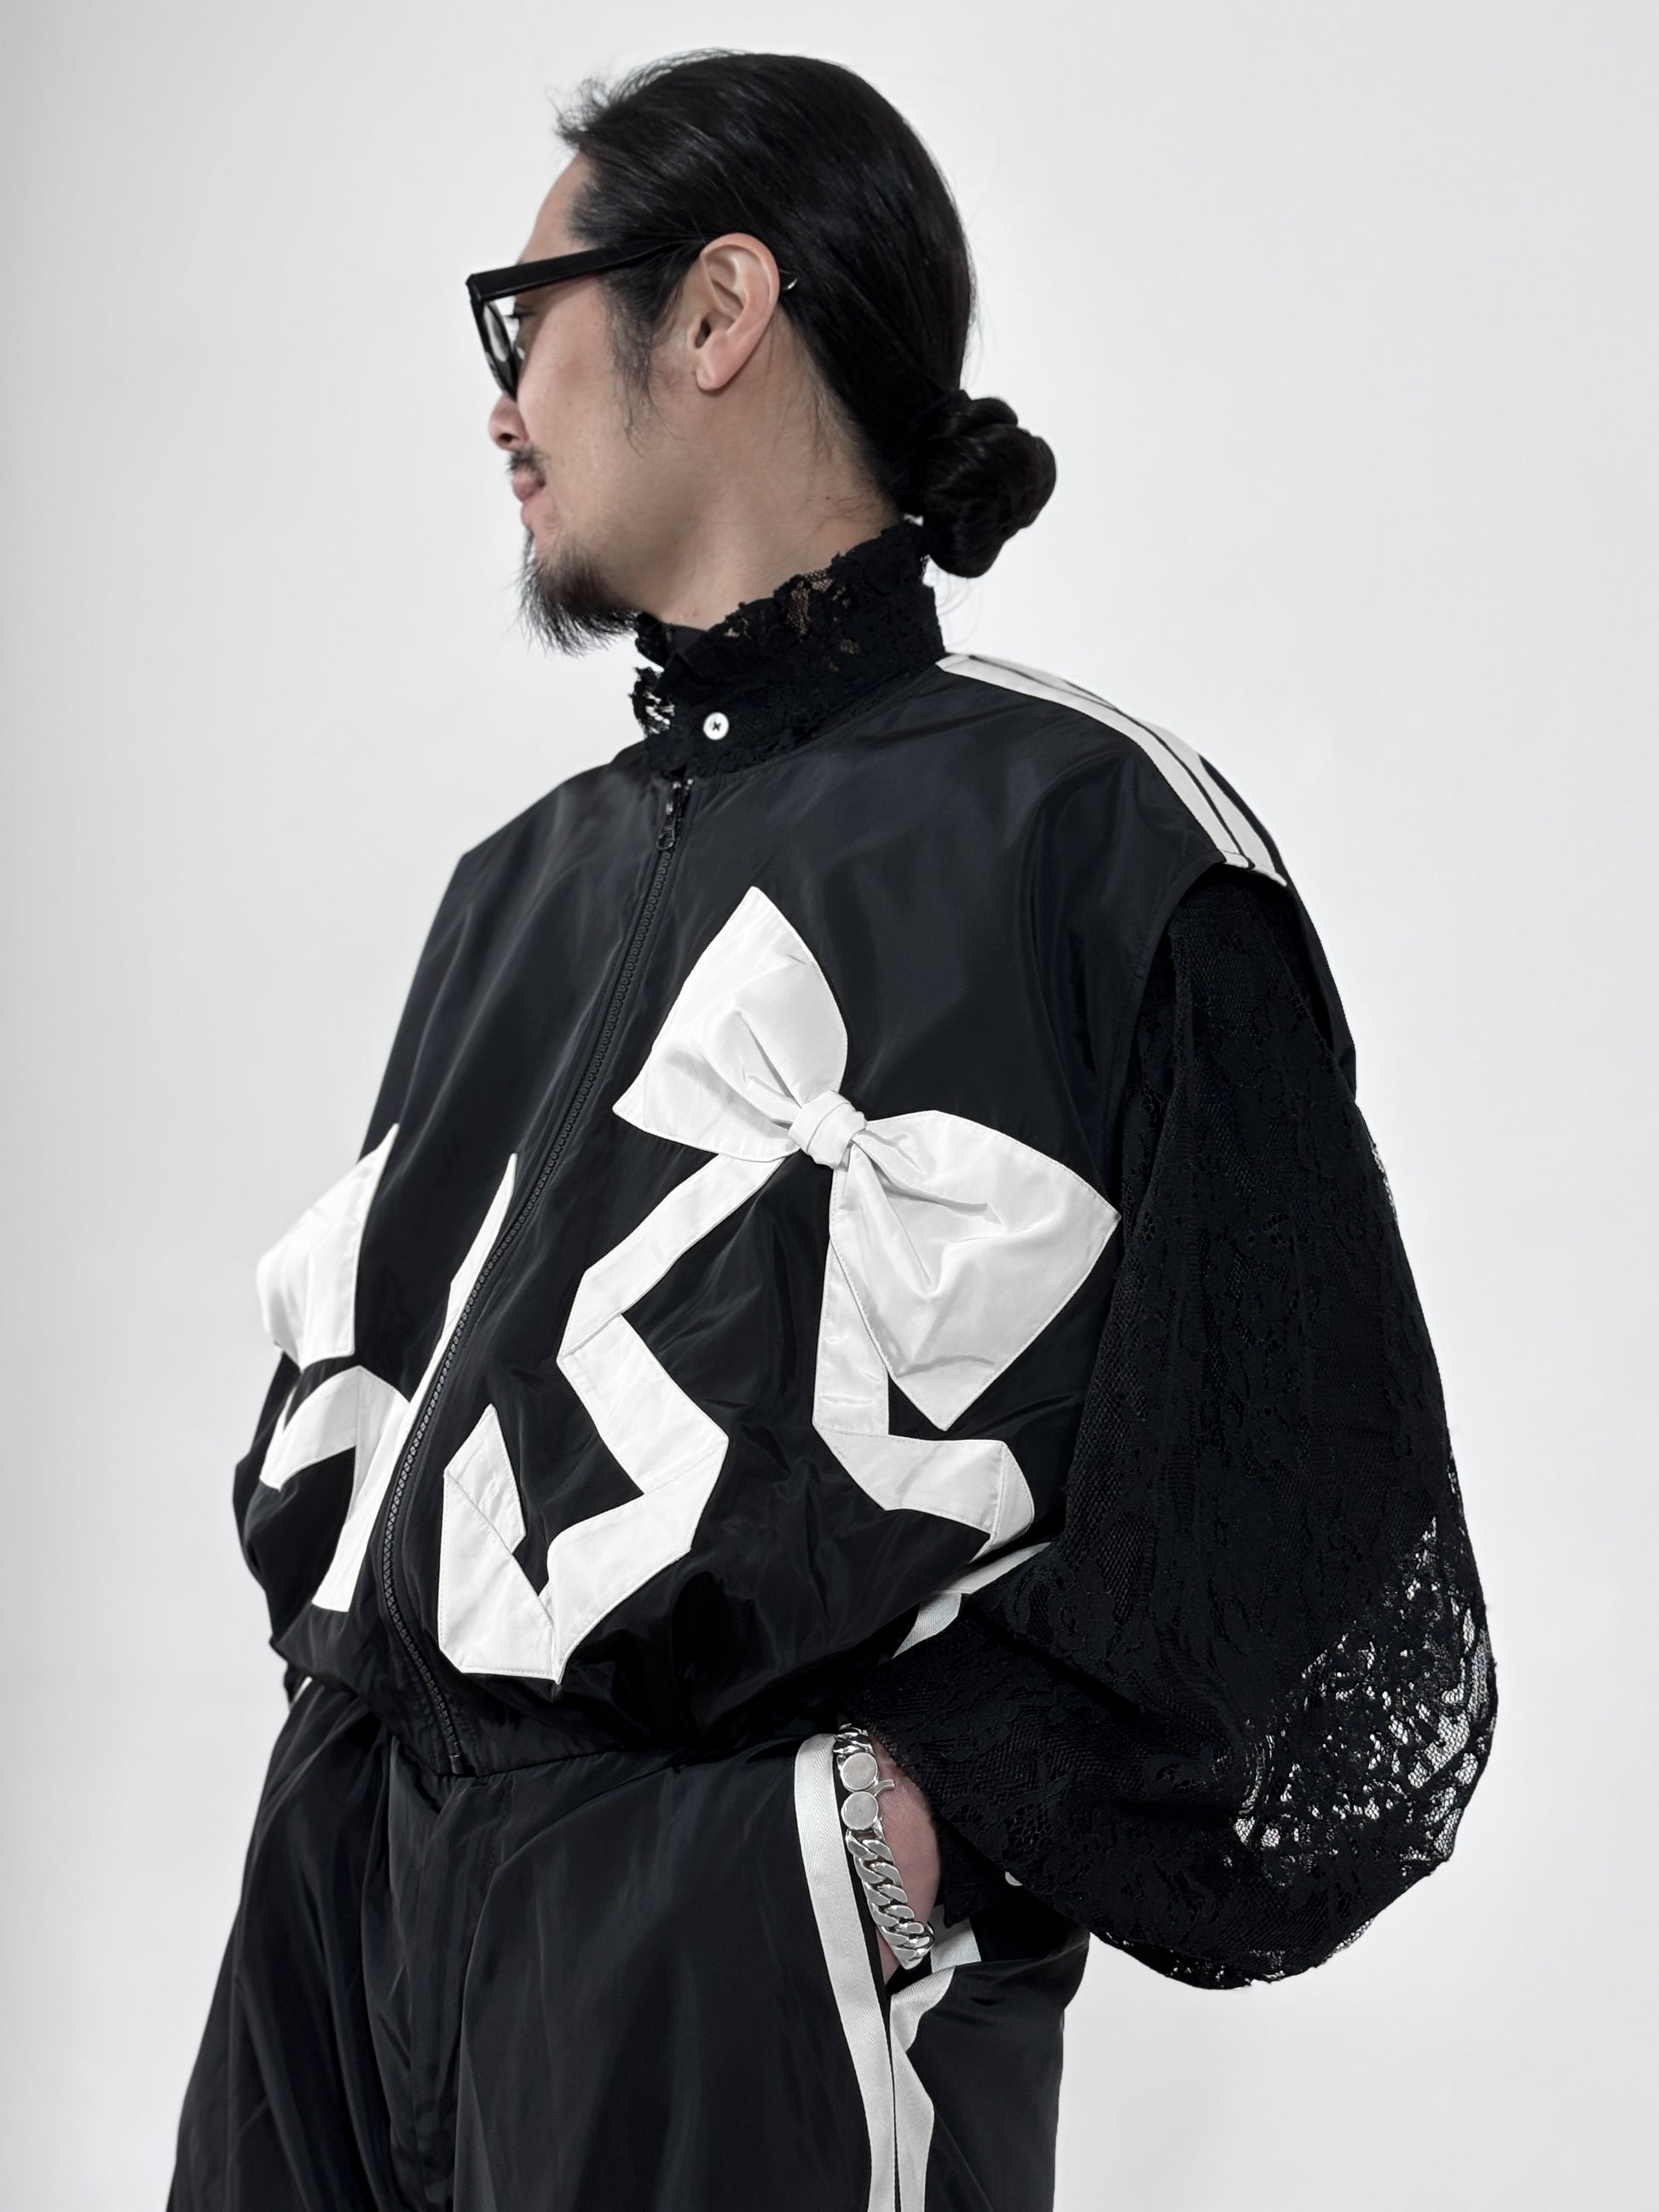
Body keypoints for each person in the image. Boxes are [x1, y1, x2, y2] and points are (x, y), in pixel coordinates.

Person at [170, 49, 1494, 2212]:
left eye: (526, 320)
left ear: (715, 310)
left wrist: (890, 1835)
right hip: (331, 1930)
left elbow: (1321, 1551)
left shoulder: (1094, 848)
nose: (498, 405)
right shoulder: (514, 886)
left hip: (736, 1984)